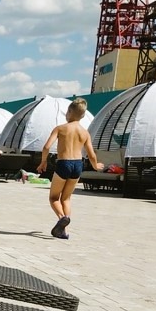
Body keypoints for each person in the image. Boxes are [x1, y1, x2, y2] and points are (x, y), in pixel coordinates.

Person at [36, 98, 103, 239]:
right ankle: (64, 231)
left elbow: (46, 147)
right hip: (78, 165)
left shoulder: (60, 128)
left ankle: (62, 218)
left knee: (54, 197)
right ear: (83, 115)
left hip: (64, 164)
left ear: (70, 112)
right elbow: (91, 154)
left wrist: (43, 162)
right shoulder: (85, 133)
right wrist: (95, 165)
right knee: (66, 199)